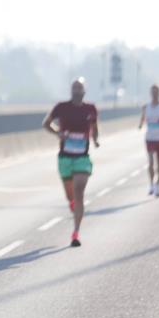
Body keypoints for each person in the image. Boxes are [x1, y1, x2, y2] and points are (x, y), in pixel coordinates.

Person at [42, 79, 99, 247]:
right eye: (74, 88)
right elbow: (46, 124)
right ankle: (72, 203)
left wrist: (95, 139)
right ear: (71, 91)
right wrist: (58, 134)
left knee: (79, 190)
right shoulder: (61, 107)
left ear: (84, 91)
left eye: (79, 88)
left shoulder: (91, 109)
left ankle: (75, 233)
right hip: (65, 157)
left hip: (82, 156)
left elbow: (94, 127)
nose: (76, 91)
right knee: (70, 195)